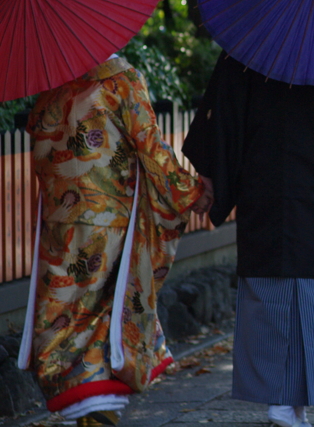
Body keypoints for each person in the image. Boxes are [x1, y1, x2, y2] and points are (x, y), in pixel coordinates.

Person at [182, 53, 314, 427]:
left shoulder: (249, 48)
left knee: (272, 290)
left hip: (264, 184)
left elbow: (221, 114)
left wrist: (212, 173)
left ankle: (288, 401)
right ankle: (287, 400)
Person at [21, 55, 212, 427]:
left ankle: (86, 412)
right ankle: (98, 414)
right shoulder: (120, 79)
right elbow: (151, 147)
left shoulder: (48, 88)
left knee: (67, 316)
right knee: (105, 313)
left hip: (59, 222)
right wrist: (190, 191)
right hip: (108, 221)